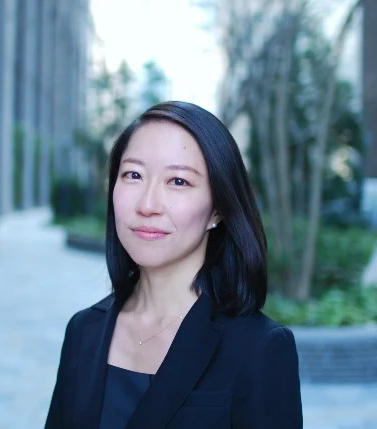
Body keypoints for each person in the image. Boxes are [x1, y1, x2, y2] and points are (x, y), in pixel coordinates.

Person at [45, 101, 303, 429]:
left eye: (178, 181)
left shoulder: (259, 349)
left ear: (217, 209)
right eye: (133, 175)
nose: (147, 204)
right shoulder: (84, 331)